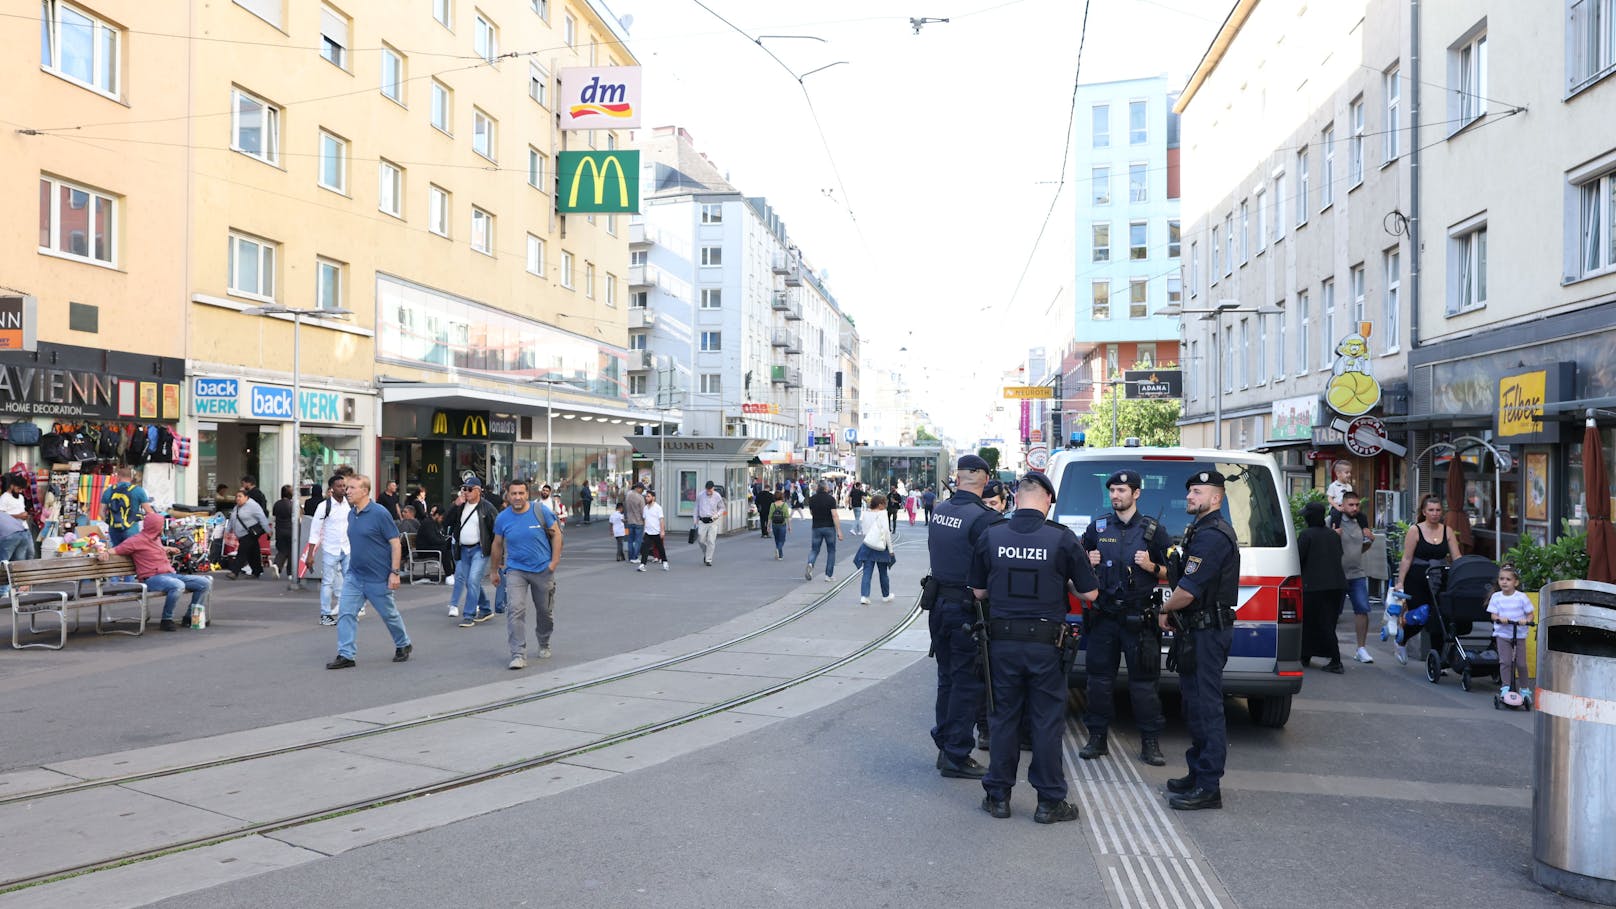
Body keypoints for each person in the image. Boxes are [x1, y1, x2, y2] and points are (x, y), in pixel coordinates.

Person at [971, 470, 1099, 823]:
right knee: (1045, 722)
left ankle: (998, 797)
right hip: (1047, 645)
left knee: (1003, 718)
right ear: (1046, 500)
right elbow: (1090, 593)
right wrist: (1067, 583)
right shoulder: (1061, 539)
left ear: (1016, 496)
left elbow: (979, 592)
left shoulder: (992, 534)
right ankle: (1049, 802)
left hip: (1002, 643)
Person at [1156, 470, 1241, 811]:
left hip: (1208, 631)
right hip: (1196, 630)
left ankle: (1209, 786)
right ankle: (1197, 772)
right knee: (1193, 705)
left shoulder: (1213, 536)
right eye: (1190, 490)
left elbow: (1188, 592)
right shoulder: (1200, 530)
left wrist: (1163, 608)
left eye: (1197, 491)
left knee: (1206, 708)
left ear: (1216, 498)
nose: (1190, 496)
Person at [1078, 470, 1173, 766]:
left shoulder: (1153, 531)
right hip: (1104, 616)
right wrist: (1086, 561)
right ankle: (1097, 738)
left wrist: (1151, 567)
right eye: (1113, 491)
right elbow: (1074, 568)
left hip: (1139, 617)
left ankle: (1150, 742)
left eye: (1122, 490)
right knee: (1098, 682)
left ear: (1136, 493)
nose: (1116, 495)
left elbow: (1174, 573)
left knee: (1144, 684)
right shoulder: (1097, 528)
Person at [926, 454, 1003, 781]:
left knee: (947, 678)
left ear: (958, 478)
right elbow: (993, 568)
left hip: (939, 605)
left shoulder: (941, 510)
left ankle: (945, 743)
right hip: (966, 610)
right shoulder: (982, 518)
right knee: (967, 683)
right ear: (985, 479)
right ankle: (956, 752)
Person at [326, 475, 413, 669]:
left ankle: (403, 643)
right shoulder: (352, 513)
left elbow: (395, 543)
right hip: (355, 576)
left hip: (378, 577)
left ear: (365, 491)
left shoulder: (380, 513)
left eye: (352, 488)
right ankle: (346, 655)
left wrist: (395, 572)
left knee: (389, 614)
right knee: (346, 613)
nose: (347, 491)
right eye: (346, 488)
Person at [492, 478, 563, 669]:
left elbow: (557, 534)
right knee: (515, 609)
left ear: (527, 494)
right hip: (516, 570)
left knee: (545, 612)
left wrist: (554, 562)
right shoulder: (502, 518)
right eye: (513, 493)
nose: (517, 497)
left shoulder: (541, 511)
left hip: (542, 569)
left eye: (521, 493)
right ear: (507, 495)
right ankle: (518, 654)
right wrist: (494, 570)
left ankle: (544, 640)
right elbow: (497, 544)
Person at [105, 511, 212, 631]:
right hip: (151, 577)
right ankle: (166, 619)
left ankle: (191, 617)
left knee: (204, 583)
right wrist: (105, 553)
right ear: (154, 527)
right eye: (161, 525)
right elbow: (117, 549)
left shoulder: (156, 538)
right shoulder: (135, 541)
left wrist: (168, 548)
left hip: (169, 574)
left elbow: (152, 548)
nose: (162, 528)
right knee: (177, 586)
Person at [1392, 494, 1463, 665]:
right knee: (1419, 616)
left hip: (1440, 578)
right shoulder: (1415, 530)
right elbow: (1407, 558)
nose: (1435, 513)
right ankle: (1402, 640)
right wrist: (1400, 581)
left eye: (1438, 510)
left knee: (1438, 617)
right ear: (1424, 512)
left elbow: (1457, 557)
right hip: (1417, 578)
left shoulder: (1447, 530)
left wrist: (1462, 574)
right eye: (1431, 510)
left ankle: (1437, 659)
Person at [1298, 500, 1347, 673]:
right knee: (1328, 623)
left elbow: (1298, 559)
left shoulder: (1306, 535)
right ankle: (1325, 656)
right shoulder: (1333, 535)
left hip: (1313, 586)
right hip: (1336, 585)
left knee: (1310, 622)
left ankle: (1332, 660)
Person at [446, 477, 499, 622]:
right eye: (464, 489)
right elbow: (446, 521)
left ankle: (469, 615)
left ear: (478, 491)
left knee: (473, 579)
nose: (466, 492)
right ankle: (486, 609)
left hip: (479, 550)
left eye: (469, 489)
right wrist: (455, 505)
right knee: (471, 582)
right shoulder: (461, 506)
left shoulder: (487, 508)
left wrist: (499, 556)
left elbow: (497, 532)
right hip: (463, 550)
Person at [1333, 491, 1376, 663]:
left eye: (1357, 505)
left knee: (1362, 609)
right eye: (1351, 505)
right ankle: (1332, 647)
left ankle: (1361, 648)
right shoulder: (1334, 521)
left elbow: (1362, 548)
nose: (1354, 508)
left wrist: (1370, 542)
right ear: (1342, 505)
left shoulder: (1361, 522)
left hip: (1357, 573)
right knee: (1333, 613)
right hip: (1337, 574)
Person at [306, 476, 352, 626]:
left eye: (344, 486)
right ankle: (325, 614)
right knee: (327, 583)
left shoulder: (349, 505)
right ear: (332, 488)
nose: (343, 488)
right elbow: (315, 531)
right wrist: (310, 555)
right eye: (339, 486)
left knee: (350, 581)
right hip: (330, 550)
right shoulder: (324, 506)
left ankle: (347, 611)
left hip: (347, 549)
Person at [1487, 565, 1534, 697]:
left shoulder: (1521, 597)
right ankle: (1506, 687)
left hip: (1519, 634)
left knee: (1521, 664)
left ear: (1516, 582)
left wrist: (1526, 620)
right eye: (1502, 579)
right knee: (1505, 662)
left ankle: (1524, 688)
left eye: (1508, 579)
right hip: (1502, 634)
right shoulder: (1496, 597)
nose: (1504, 582)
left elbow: (1530, 614)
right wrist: (1499, 618)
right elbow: (1493, 615)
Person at [855, 493, 894, 604]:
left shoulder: (866, 514)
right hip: (881, 546)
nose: (886, 506)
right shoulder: (883, 513)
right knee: (883, 572)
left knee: (867, 571)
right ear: (880, 504)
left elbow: (864, 530)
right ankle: (885, 595)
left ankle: (864, 596)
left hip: (868, 545)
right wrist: (891, 550)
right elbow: (886, 532)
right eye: (885, 503)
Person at [100, 466, 151, 548]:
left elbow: (101, 513)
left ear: (118, 477)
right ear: (131, 478)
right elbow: (149, 512)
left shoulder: (109, 491)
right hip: (131, 528)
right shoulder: (138, 490)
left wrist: (110, 522)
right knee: (132, 553)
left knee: (116, 552)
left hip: (114, 529)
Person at [804, 480, 843, 581]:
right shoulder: (831, 499)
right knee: (831, 551)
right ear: (826, 488)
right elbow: (834, 515)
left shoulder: (812, 499)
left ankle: (810, 563)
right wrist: (839, 530)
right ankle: (828, 575)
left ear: (817, 488)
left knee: (814, 549)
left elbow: (812, 513)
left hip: (816, 527)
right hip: (829, 527)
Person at [226, 490, 269, 580]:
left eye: (240, 496)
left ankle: (235, 572)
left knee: (242, 552)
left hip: (249, 533)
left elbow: (262, 517)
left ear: (246, 497)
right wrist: (228, 530)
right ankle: (257, 571)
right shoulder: (236, 507)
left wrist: (268, 530)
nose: (237, 498)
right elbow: (232, 519)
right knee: (253, 553)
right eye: (236, 496)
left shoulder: (253, 506)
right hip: (241, 534)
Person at [416, 505, 454, 581]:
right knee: (444, 550)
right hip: (424, 550)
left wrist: (446, 541)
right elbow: (433, 539)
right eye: (441, 517)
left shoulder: (434, 523)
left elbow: (437, 538)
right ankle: (449, 575)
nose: (442, 519)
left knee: (449, 548)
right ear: (437, 515)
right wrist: (445, 541)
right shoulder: (428, 523)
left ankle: (454, 573)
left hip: (431, 548)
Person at [695, 480, 726, 566]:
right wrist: (695, 519)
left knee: (711, 541)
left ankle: (708, 559)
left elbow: (722, 508)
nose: (709, 492)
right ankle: (706, 553)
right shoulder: (700, 495)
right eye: (707, 490)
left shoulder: (717, 496)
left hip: (713, 521)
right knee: (701, 539)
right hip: (702, 520)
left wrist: (718, 514)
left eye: (710, 490)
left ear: (713, 488)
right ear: (705, 489)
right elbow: (696, 508)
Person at [638, 490, 668, 571]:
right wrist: (644, 530)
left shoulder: (658, 508)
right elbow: (645, 520)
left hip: (656, 532)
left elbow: (661, 520)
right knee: (645, 549)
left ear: (653, 498)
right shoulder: (645, 508)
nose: (646, 498)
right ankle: (642, 564)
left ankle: (665, 562)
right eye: (646, 496)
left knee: (660, 548)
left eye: (648, 496)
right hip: (648, 532)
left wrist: (662, 531)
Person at [272, 484, 295, 579]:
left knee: (282, 550)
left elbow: (274, 517)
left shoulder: (277, 504)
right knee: (292, 552)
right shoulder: (292, 505)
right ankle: (290, 572)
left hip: (279, 530)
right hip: (291, 530)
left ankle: (277, 565)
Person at [623, 482, 646, 564]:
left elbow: (625, 507)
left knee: (630, 540)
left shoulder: (628, 495)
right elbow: (643, 511)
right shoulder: (640, 498)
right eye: (642, 490)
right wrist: (645, 521)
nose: (642, 491)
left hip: (629, 522)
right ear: (638, 488)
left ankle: (630, 557)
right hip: (638, 522)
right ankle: (635, 557)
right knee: (638, 541)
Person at [768, 493, 792, 559]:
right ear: (782, 496)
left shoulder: (772, 505)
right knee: (782, 540)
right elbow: (787, 516)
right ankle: (778, 550)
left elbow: (770, 516)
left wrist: (768, 526)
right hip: (782, 524)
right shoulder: (784, 505)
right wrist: (789, 526)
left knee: (777, 540)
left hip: (774, 524)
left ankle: (780, 555)